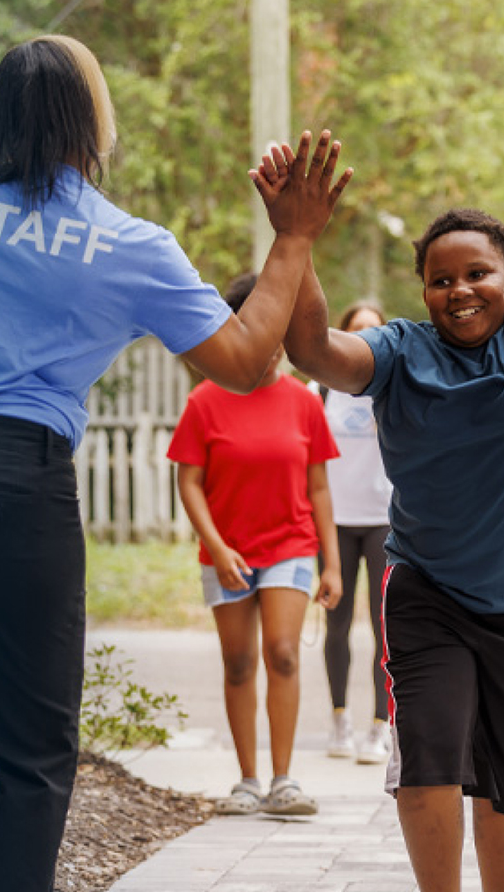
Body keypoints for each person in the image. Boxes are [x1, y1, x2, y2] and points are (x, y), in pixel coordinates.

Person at [0, 34, 350, 892]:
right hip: (13, 482)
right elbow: (244, 359)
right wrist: (293, 237)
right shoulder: (124, 241)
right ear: (94, 123)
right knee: (32, 751)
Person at [253, 98, 504, 892]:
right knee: (426, 754)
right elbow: (313, 348)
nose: (458, 291)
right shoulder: (400, 351)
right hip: (428, 593)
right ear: (420, 288)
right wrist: (299, 239)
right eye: (439, 279)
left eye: (477, 274)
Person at [168, 272, 342, 815]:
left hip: (290, 545)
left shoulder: (305, 403)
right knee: (239, 662)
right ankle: (247, 780)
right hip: (228, 553)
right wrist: (217, 547)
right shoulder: (205, 401)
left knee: (284, 655)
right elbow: (188, 482)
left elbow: (319, 488)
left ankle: (284, 780)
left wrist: (331, 565)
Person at [322, 301, 394, 765]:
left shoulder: (392, 385)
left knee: (386, 626)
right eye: (357, 330)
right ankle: (340, 720)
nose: (365, 338)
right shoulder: (319, 390)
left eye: (374, 331)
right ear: (342, 335)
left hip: (385, 519)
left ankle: (379, 726)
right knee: (338, 623)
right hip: (336, 521)